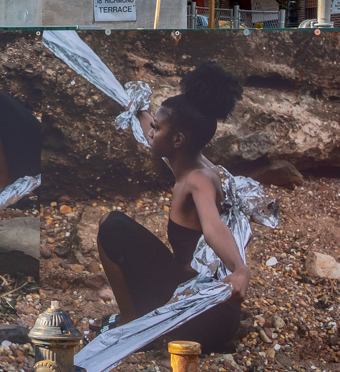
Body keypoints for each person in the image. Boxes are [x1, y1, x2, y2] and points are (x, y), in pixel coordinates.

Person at [94, 61, 247, 353]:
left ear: (177, 140)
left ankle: (133, 325)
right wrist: (139, 112)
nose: (151, 132)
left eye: (157, 128)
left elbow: (214, 226)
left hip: (205, 315)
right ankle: (139, 319)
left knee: (111, 225)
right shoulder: (191, 160)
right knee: (112, 225)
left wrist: (241, 270)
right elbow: (147, 128)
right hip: (191, 297)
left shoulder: (199, 179)